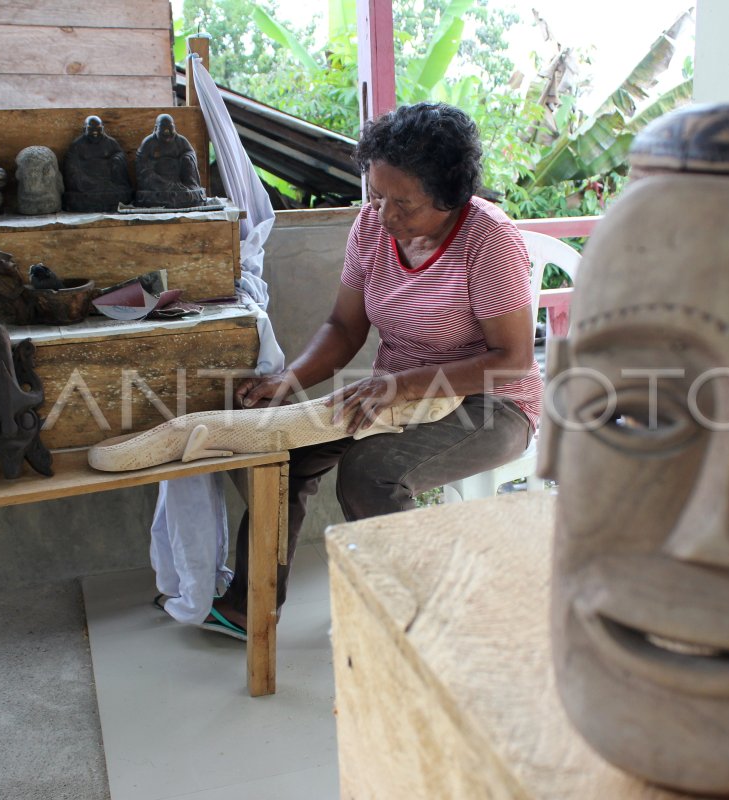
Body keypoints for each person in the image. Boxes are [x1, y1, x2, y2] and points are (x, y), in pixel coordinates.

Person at [202, 102, 542, 637]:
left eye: (402, 203)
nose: (384, 215)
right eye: (376, 194)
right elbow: (343, 326)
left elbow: (513, 361)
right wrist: (288, 380)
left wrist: (401, 384)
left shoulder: (489, 238)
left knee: (370, 470)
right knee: (284, 452)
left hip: (493, 404)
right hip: (392, 392)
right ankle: (250, 605)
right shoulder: (370, 226)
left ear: (450, 198)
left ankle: (415, 617)